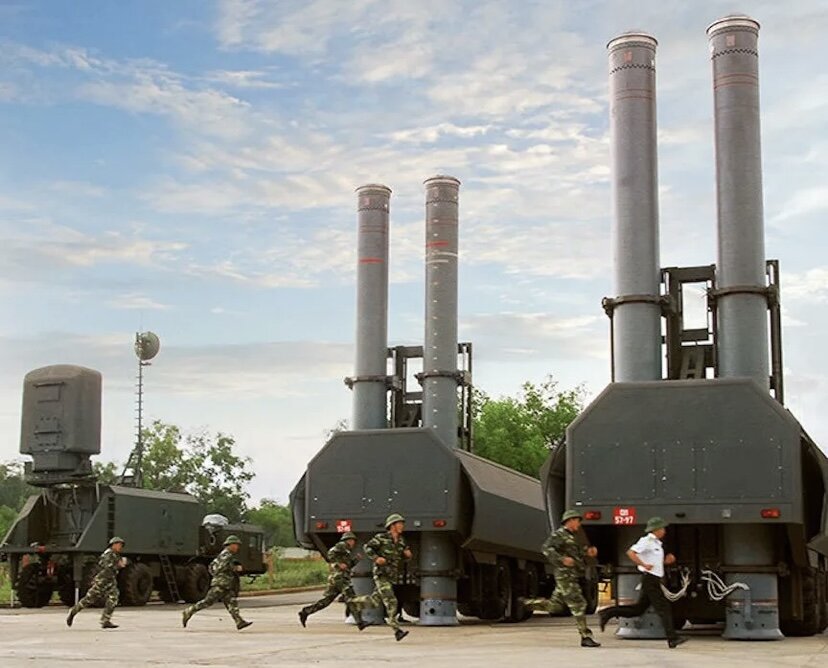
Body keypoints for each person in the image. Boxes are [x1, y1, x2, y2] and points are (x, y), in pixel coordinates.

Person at [517, 510, 601, 647]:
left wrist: (588, 552)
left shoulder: (575, 536)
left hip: (574, 574)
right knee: (578, 604)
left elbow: (578, 552)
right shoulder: (559, 535)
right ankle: (585, 636)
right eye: (577, 520)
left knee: (556, 607)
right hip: (565, 575)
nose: (579, 524)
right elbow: (546, 548)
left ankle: (526, 603)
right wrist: (562, 559)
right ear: (570, 521)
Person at [598, 517, 686, 648]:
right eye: (662, 528)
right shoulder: (647, 541)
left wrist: (665, 562)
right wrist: (643, 564)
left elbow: (653, 561)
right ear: (656, 529)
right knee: (664, 608)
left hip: (653, 579)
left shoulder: (656, 543)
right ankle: (672, 638)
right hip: (650, 579)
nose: (664, 531)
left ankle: (607, 613)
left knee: (638, 609)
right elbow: (631, 553)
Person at [351, 513, 412, 641]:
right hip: (381, 574)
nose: (402, 526)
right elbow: (367, 547)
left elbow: (403, 558)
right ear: (392, 525)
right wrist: (376, 558)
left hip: (391, 575)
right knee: (391, 601)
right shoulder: (381, 538)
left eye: (402, 524)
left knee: (374, 601)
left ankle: (353, 603)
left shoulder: (401, 541)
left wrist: (408, 555)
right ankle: (396, 630)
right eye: (400, 524)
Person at [182, 535, 252, 630]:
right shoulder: (226, 555)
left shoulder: (224, 555)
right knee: (207, 601)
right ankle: (188, 611)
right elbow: (220, 568)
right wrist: (234, 568)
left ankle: (239, 621)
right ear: (230, 545)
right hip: (220, 584)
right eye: (236, 545)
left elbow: (211, 567)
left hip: (225, 584)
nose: (237, 547)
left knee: (232, 602)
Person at [299, 531, 365, 629]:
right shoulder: (342, 546)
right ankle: (360, 622)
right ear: (348, 540)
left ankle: (306, 612)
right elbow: (330, 553)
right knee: (351, 598)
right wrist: (338, 564)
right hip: (340, 578)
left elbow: (347, 566)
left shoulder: (346, 551)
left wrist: (356, 560)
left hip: (338, 578)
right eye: (353, 541)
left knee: (327, 601)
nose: (353, 543)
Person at [66, 536, 127, 629]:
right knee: (89, 599)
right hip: (103, 580)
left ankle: (105, 620)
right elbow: (107, 567)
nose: (120, 547)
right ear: (113, 545)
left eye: (121, 545)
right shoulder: (108, 554)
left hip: (110, 580)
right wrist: (119, 565)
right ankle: (73, 612)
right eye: (119, 545)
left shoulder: (115, 554)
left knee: (114, 598)